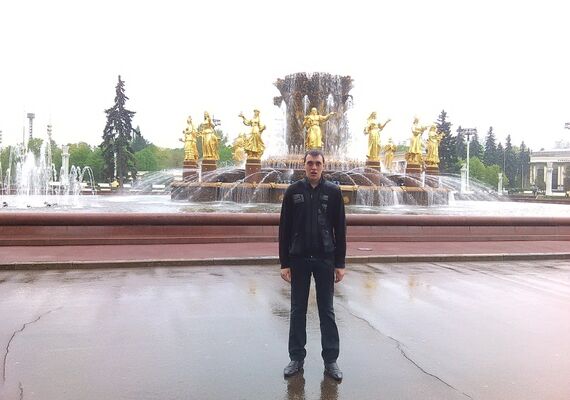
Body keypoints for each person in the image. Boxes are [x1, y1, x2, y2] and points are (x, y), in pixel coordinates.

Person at [279, 149, 346, 382]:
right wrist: (284, 263)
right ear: (304, 165)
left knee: (327, 311)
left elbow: (340, 229)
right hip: (298, 258)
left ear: (323, 166)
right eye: (310, 163)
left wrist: (340, 263)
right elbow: (284, 229)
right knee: (297, 310)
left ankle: (331, 361)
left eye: (318, 163)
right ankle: (296, 358)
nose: (314, 167)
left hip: (325, 259)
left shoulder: (333, 192)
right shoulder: (293, 191)